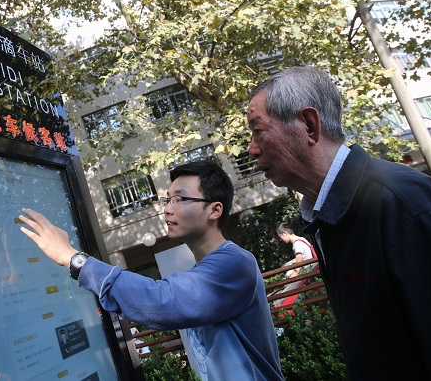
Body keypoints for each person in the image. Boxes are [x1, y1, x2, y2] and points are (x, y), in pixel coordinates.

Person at [247, 65, 431, 380]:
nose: (252, 149)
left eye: (258, 130)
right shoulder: (329, 216)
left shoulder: (402, 204)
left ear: (308, 124)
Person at [20, 161, 284, 381]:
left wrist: (74, 259)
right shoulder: (208, 269)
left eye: (180, 199)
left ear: (214, 209)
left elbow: (162, 301)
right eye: (167, 199)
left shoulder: (235, 263)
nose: (167, 208)